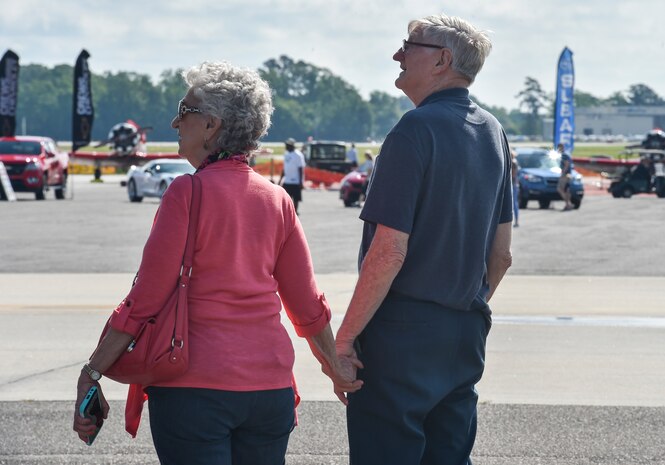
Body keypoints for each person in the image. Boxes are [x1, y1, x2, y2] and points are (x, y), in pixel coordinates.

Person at [73, 61, 361, 465]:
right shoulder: (277, 199)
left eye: (184, 111)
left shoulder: (186, 193)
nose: (175, 122)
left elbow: (146, 299)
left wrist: (93, 371)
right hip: (269, 392)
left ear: (211, 125)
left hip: (195, 391)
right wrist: (334, 367)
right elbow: (306, 304)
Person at [334, 13, 513, 465]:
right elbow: (502, 254)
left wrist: (345, 338)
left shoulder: (413, 130)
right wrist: (464, 303)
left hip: (402, 335)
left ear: (442, 61)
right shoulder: (493, 131)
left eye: (409, 45)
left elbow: (389, 250)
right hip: (465, 329)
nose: (398, 54)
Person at [279, 137, 305, 214]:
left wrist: (301, 181)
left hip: (296, 181)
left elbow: (300, 169)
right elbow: (284, 168)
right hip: (287, 181)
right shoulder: (286, 154)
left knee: (296, 199)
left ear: (291, 145)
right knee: (286, 198)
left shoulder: (298, 155)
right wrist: (280, 180)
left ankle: (295, 212)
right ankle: (288, 213)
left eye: (287, 145)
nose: (286, 146)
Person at [557, 143, 574, 211]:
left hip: (565, 174)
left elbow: (566, 164)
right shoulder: (566, 154)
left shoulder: (564, 155)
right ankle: (568, 205)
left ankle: (568, 204)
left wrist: (563, 173)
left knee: (560, 189)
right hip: (569, 174)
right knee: (567, 190)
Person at [511, 149, 520, 227]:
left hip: (513, 184)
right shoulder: (515, 161)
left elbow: (513, 174)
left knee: (514, 203)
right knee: (515, 203)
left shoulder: (513, 162)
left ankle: (516, 221)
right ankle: (516, 221)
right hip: (515, 184)